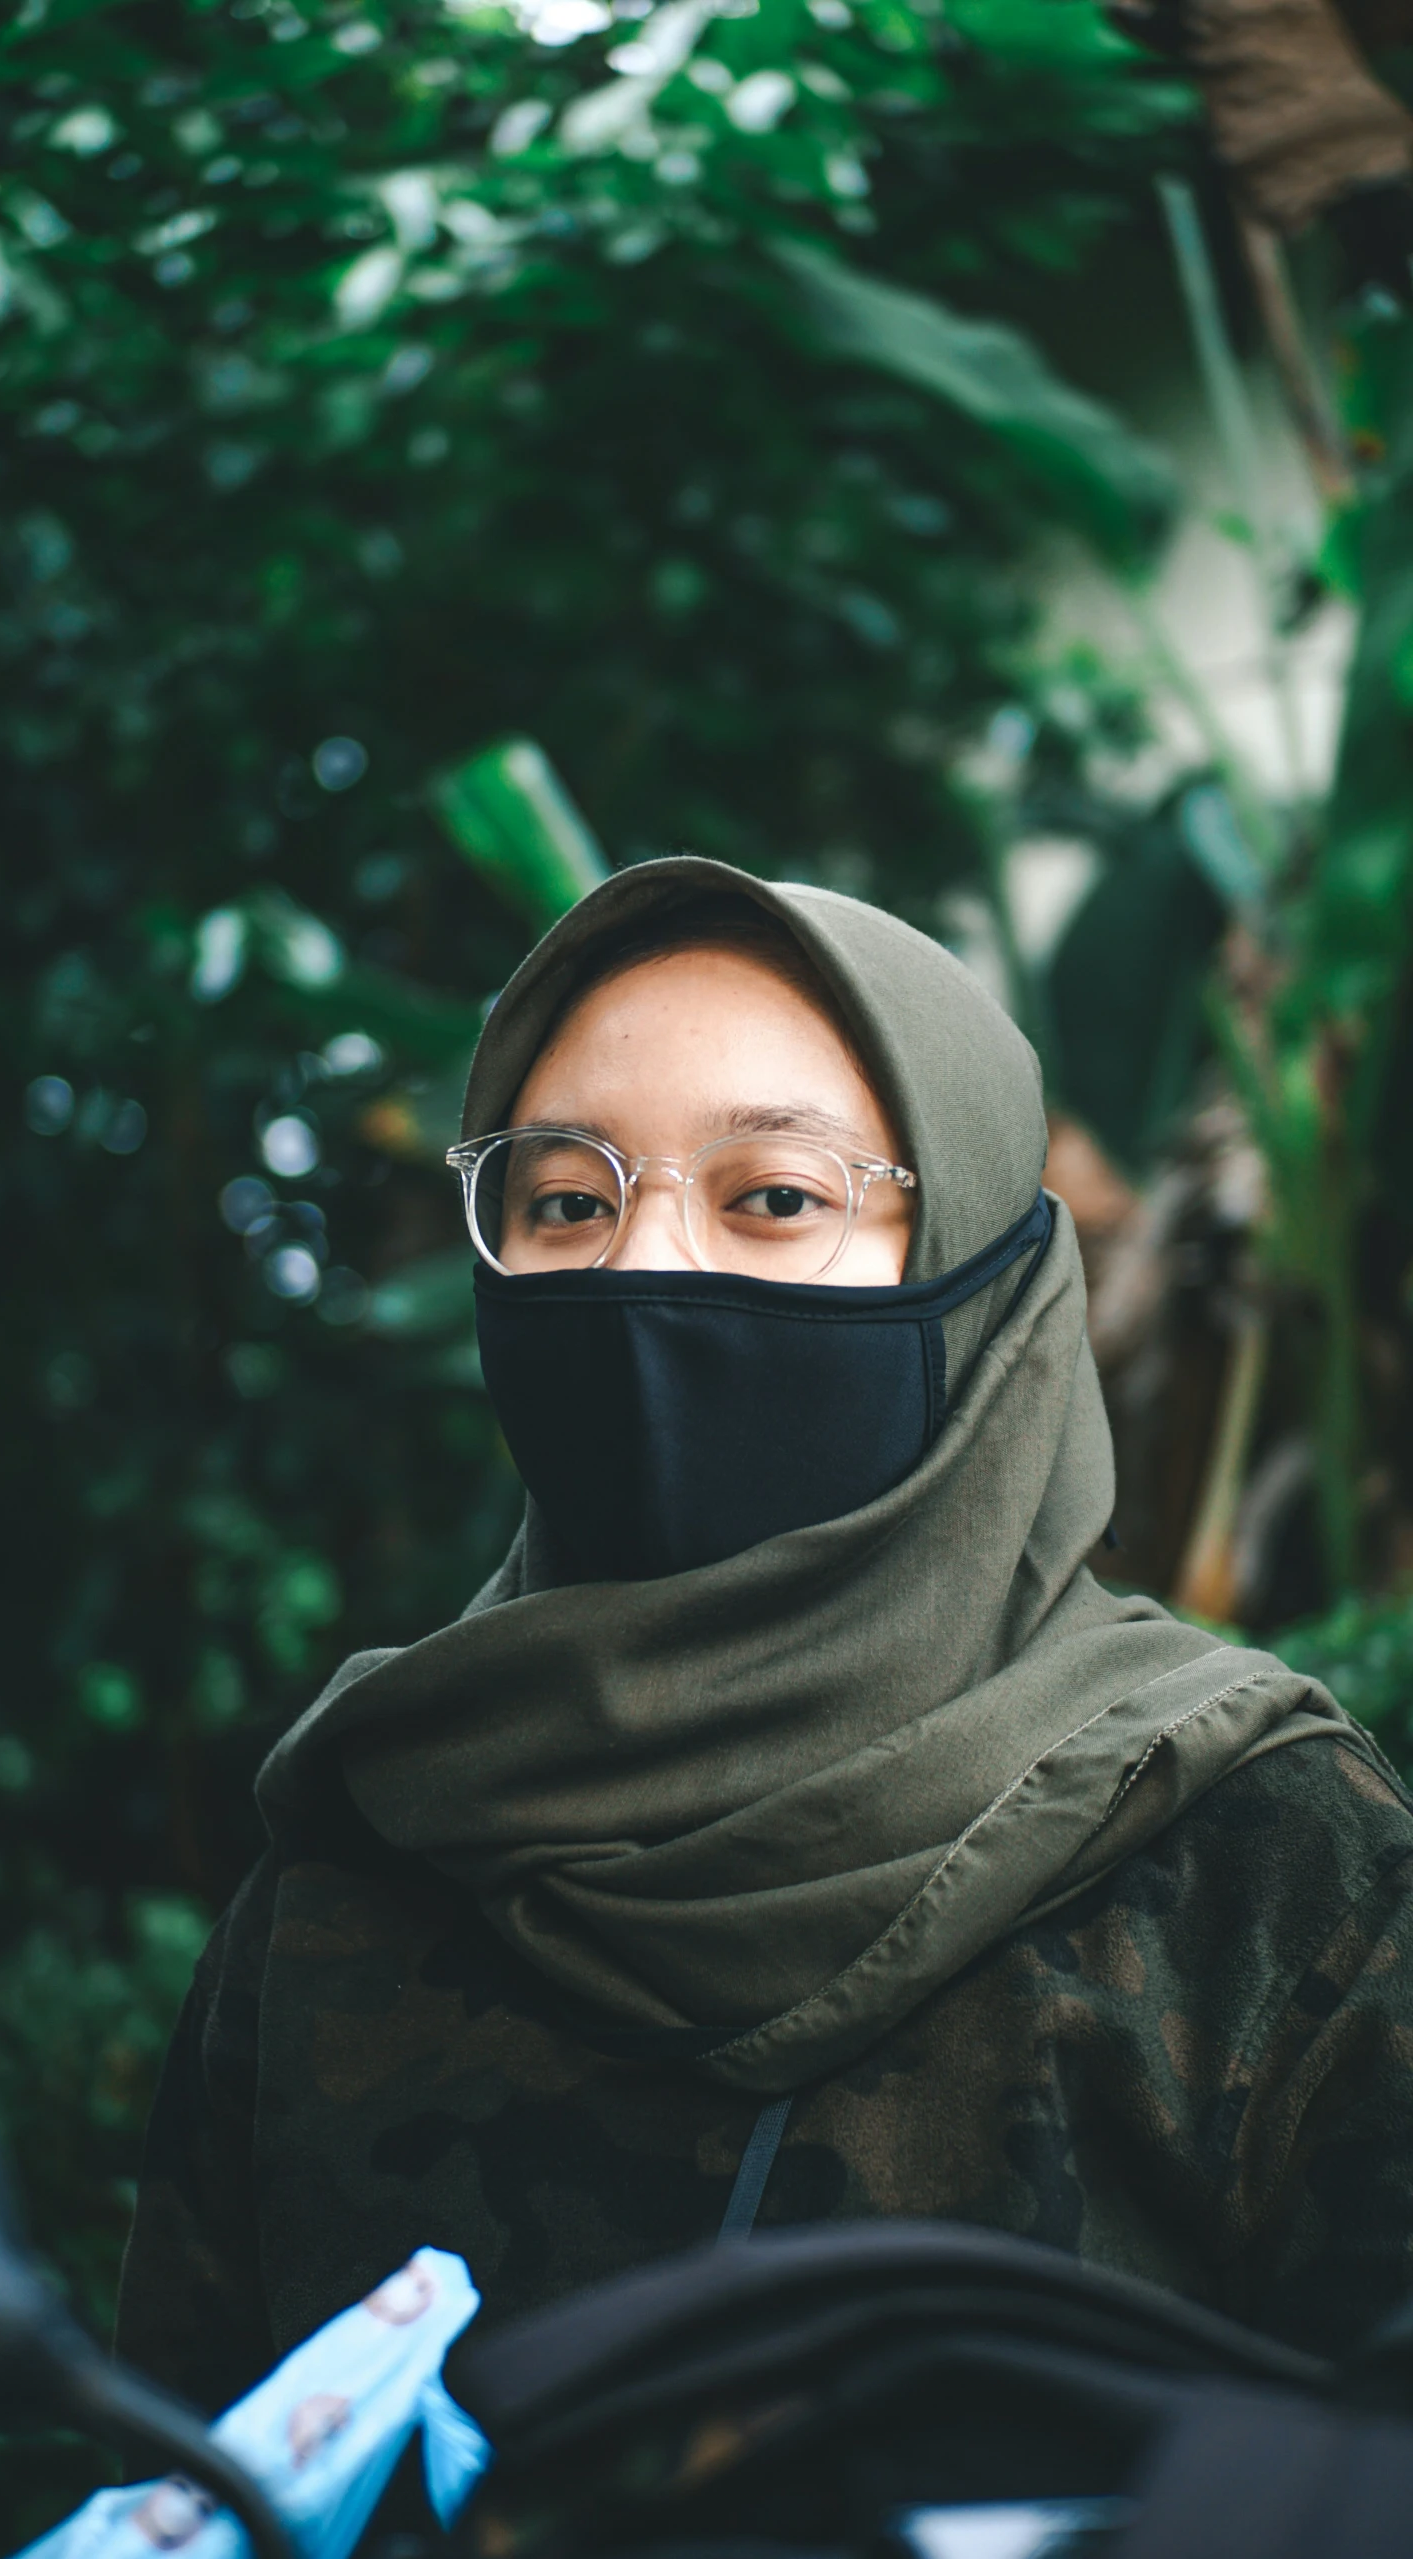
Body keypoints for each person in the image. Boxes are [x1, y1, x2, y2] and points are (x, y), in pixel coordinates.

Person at [117, 857, 1413, 2414]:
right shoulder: (350, 1876)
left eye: (776, 1198)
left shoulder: (1267, 1865)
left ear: (981, 1288)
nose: (648, 1265)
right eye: (567, 1202)